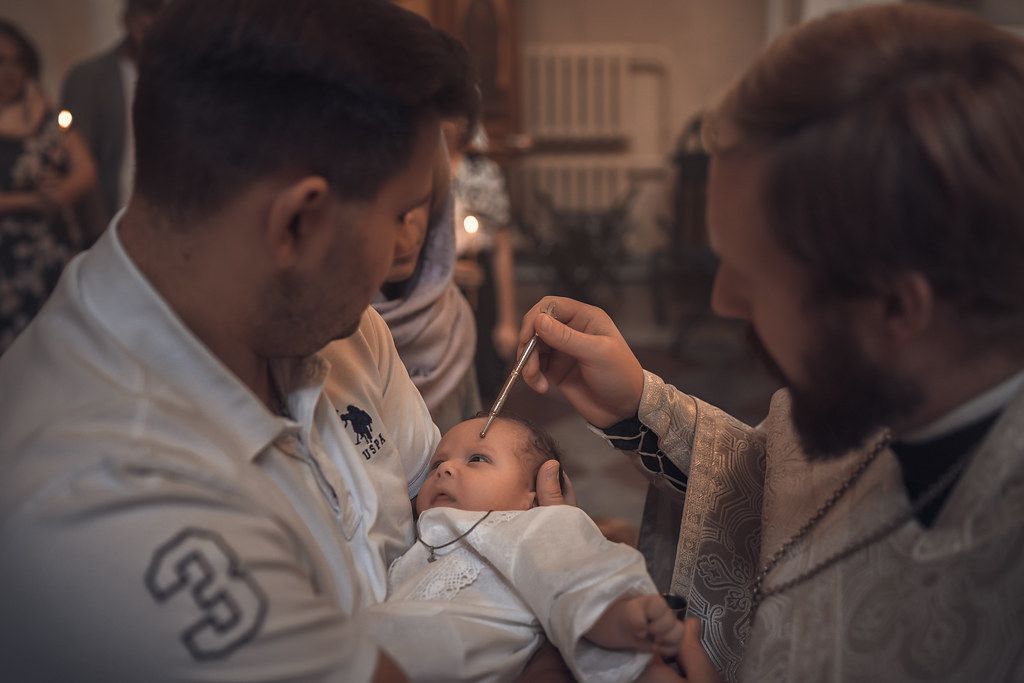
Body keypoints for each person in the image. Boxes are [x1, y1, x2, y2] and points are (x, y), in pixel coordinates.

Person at [516, 4, 1024, 681]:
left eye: (752, 274)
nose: (724, 300)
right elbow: (781, 490)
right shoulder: (879, 372)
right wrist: (637, 402)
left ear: (896, 306)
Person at [0, 1, 501, 680]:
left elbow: (462, 518)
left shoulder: (333, 325)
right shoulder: (102, 493)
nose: (401, 252)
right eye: (399, 213)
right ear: (298, 223)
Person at [360, 413, 684, 682]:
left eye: (477, 459)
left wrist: (624, 617)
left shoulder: (530, 529)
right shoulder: (417, 547)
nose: (446, 469)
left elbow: (577, 580)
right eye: (437, 464)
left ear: (532, 496)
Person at [0, 19, 97, 354]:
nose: (10, 72)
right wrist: (28, 201)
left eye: (18, 61)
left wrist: (63, 191)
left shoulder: (47, 115)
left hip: (51, 250)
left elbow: (85, 168)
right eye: (1, 61)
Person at [371, 162, 482, 433]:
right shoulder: (332, 326)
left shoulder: (450, 312)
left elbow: (472, 423)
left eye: (419, 201)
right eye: (393, 204)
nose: (407, 223)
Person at [60, 0, 166, 237]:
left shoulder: (177, 77)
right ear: (127, 18)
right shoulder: (88, 77)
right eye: (142, 12)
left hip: (167, 220)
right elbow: (78, 155)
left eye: (158, 13)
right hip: (111, 219)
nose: (149, 22)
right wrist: (97, 230)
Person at [445, 119, 520, 403]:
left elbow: (501, 246)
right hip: (437, 281)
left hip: (480, 275)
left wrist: (507, 321)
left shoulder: (484, 173)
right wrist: (446, 271)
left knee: (486, 373)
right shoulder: (418, 170)